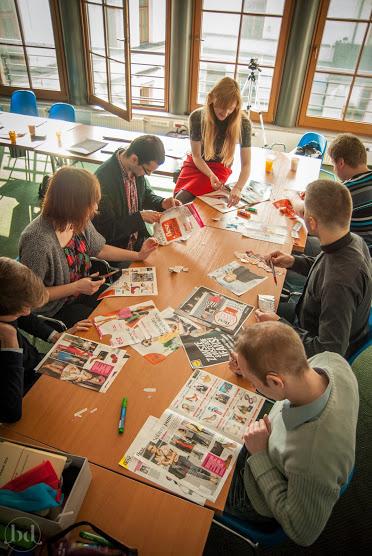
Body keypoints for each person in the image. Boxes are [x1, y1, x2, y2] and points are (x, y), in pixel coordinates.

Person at [226, 321, 359, 547]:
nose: (253, 385)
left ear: (275, 381)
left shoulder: (312, 456)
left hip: (258, 489)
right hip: (272, 443)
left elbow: (302, 532)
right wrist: (249, 366)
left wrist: (259, 456)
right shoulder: (331, 361)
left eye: (254, 382)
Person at [19, 166, 158, 327]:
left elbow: (99, 248)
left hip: (82, 290)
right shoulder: (37, 241)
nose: (96, 208)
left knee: (127, 310)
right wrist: (75, 287)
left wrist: (138, 255)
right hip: (56, 307)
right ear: (72, 204)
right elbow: (32, 296)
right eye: (91, 203)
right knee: (111, 326)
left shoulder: (76, 219)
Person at [256, 179, 371, 358]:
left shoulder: (339, 283)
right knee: (255, 306)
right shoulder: (353, 240)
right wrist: (293, 261)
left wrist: (280, 326)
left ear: (312, 223)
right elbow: (325, 267)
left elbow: (329, 351)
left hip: (312, 349)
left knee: (250, 330)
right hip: (307, 317)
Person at [0, 257, 91, 423]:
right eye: (21, 311)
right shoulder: (6, 335)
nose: (27, 313)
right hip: (23, 390)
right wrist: (10, 343)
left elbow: (25, 318)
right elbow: (10, 413)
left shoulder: (7, 307)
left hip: (37, 365)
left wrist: (56, 337)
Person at [93, 135, 181, 251]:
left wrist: (162, 203)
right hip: (119, 250)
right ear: (134, 159)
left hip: (139, 242)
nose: (148, 175)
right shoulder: (103, 180)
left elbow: (144, 195)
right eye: (147, 170)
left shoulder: (134, 168)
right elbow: (108, 230)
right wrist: (140, 217)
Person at [174, 77, 251, 206]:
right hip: (197, 162)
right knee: (177, 200)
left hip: (221, 166)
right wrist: (210, 175)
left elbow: (246, 164)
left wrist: (238, 188)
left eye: (230, 109)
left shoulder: (243, 123)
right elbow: (196, 156)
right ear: (211, 99)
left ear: (236, 106)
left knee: (190, 201)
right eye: (221, 107)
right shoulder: (197, 117)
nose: (225, 113)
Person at [293, 134, 372, 256]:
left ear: (341, 163)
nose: (334, 169)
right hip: (361, 249)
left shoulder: (346, 191)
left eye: (333, 165)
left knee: (299, 241)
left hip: (357, 255)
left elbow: (305, 212)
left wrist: (293, 197)